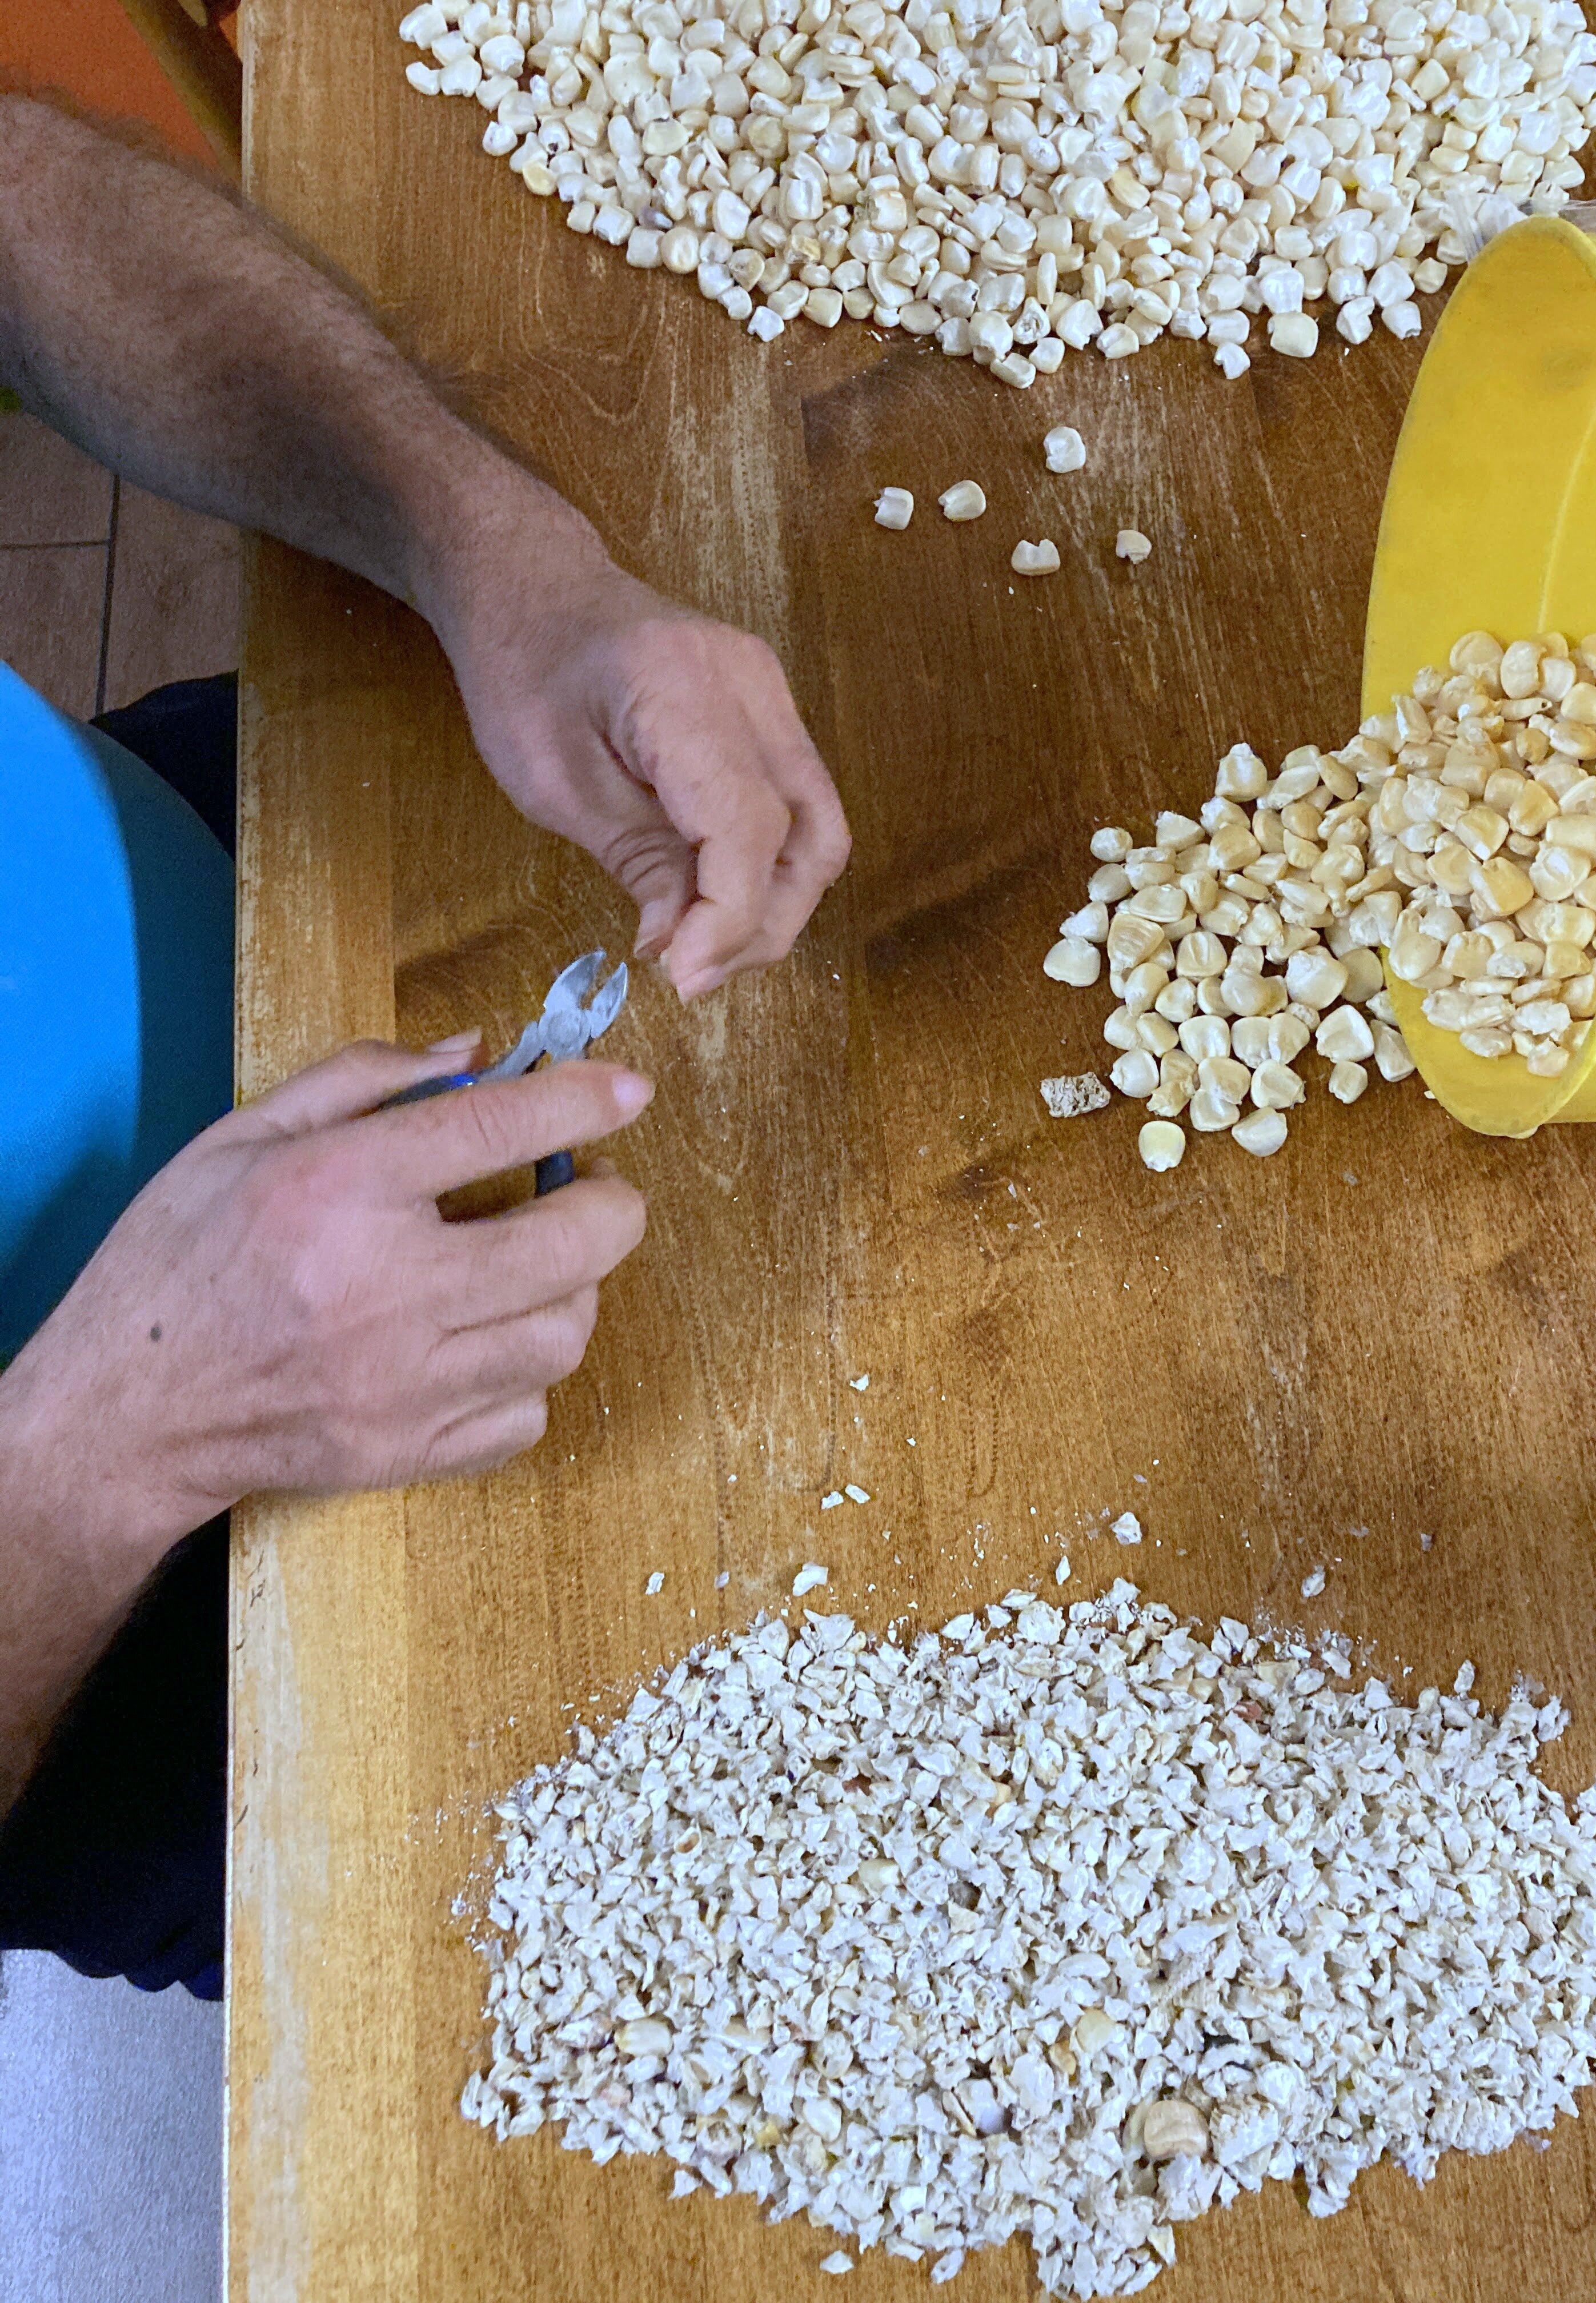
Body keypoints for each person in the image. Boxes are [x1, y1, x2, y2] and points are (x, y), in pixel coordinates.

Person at [0, 93, 850, 1996]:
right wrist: (116, 1440)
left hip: (221, 845)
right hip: (113, 1646)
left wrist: (489, 555)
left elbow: (13, 204)